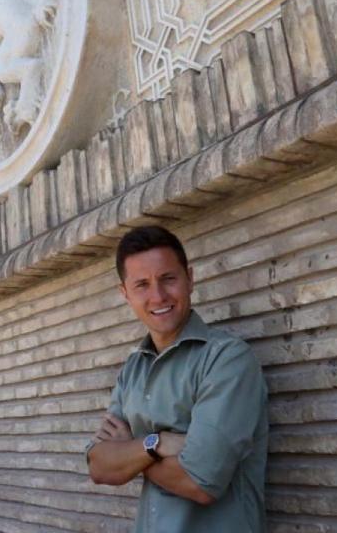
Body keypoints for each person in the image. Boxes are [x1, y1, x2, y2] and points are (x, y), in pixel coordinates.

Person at [86, 226, 269, 532]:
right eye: (142, 284)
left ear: (190, 279)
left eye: (168, 278)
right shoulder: (133, 369)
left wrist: (131, 452)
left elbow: (201, 481)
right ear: (125, 294)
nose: (158, 295)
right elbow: (99, 467)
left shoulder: (227, 360)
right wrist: (158, 444)